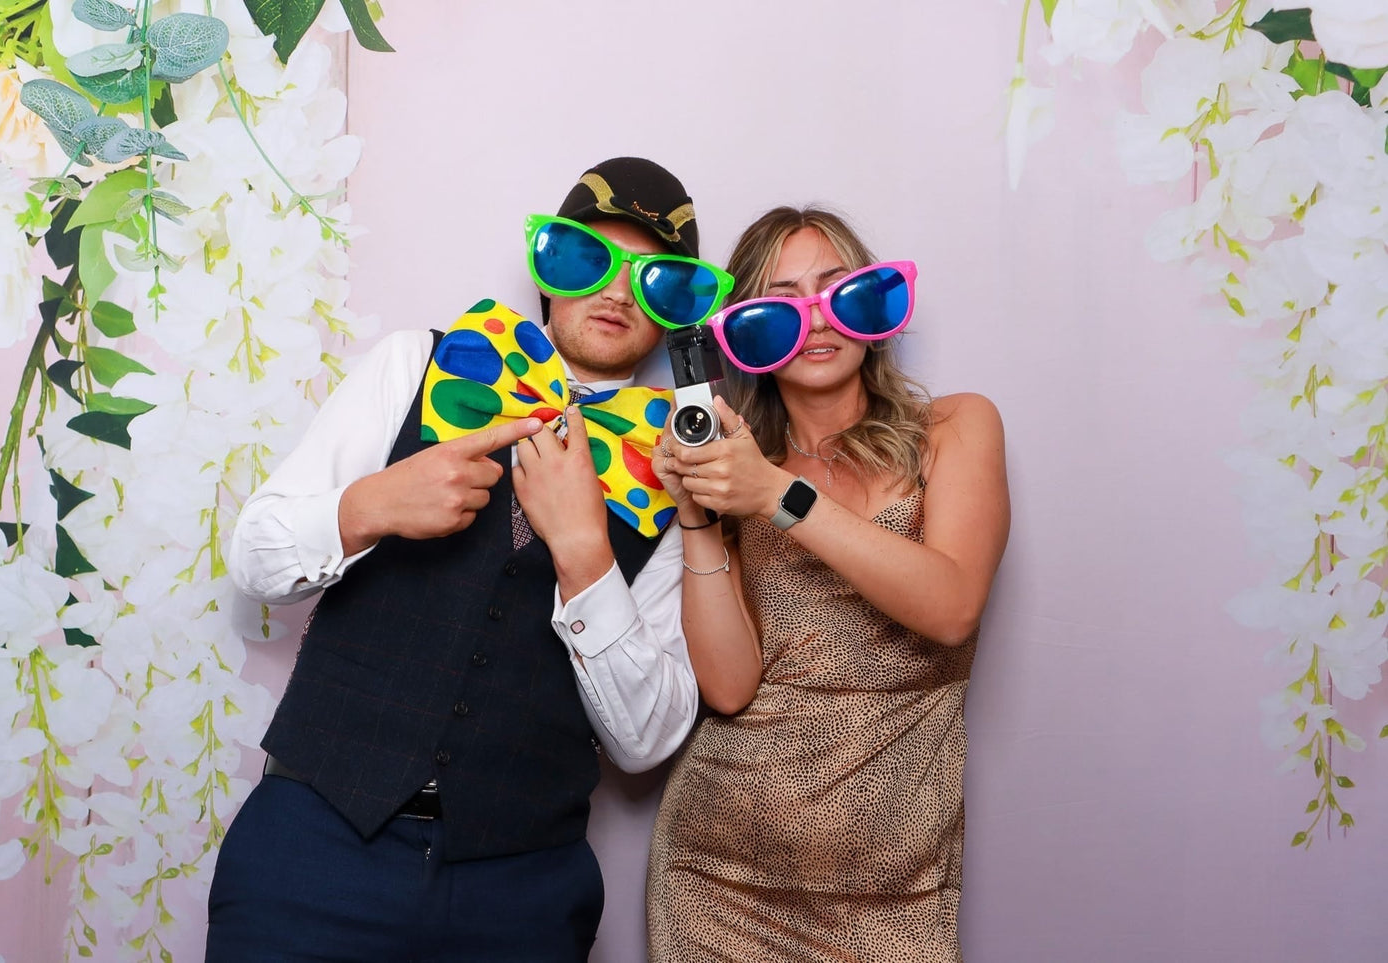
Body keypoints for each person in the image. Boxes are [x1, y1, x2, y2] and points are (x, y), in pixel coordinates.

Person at [207, 157, 728, 962]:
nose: (619, 291)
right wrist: (372, 505)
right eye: (588, 257)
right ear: (546, 265)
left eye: (658, 279)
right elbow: (256, 558)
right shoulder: (412, 364)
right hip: (311, 851)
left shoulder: (681, 471)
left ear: (681, 309)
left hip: (521, 893)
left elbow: (648, 739)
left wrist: (585, 554)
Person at [645, 206, 1010, 962]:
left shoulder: (955, 427)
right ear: (744, 335)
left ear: (873, 306)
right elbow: (729, 686)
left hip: (895, 890)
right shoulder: (739, 467)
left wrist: (773, 495)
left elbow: (950, 608)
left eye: (837, 291)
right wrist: (699, 514)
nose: (813, 321)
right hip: (716, 882)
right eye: (779, 303)